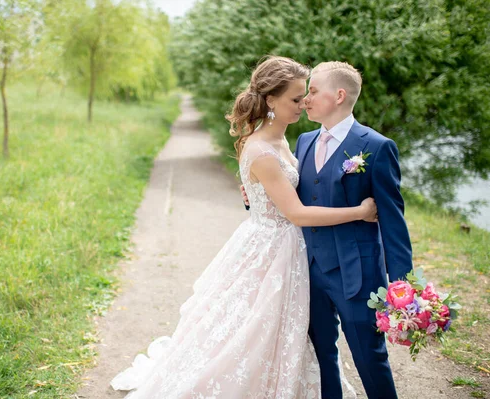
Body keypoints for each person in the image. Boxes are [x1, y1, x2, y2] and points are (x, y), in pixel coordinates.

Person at [110, 56, 378, 398]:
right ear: (270, 100)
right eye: (296, 99)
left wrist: (255, 196)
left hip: (283, 243)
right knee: (253, 329)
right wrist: (360, 211)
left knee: (277, 328)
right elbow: (296, 213)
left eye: (305, 95)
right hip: (273, 249)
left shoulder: (285, 142)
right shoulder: (263, 151)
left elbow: (289, 190)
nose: (304, 103)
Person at [243, 61, 413, 398]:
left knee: (370, 357)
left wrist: (402, 287)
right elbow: (292, 200)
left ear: (338, 96)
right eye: (303, 95)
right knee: (320, 360)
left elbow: (393, 222)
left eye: (313, 91)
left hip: (357, 273)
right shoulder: (303, 141)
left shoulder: (376, 147)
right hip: (306, 272)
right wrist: (252, 197)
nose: (305, 99)